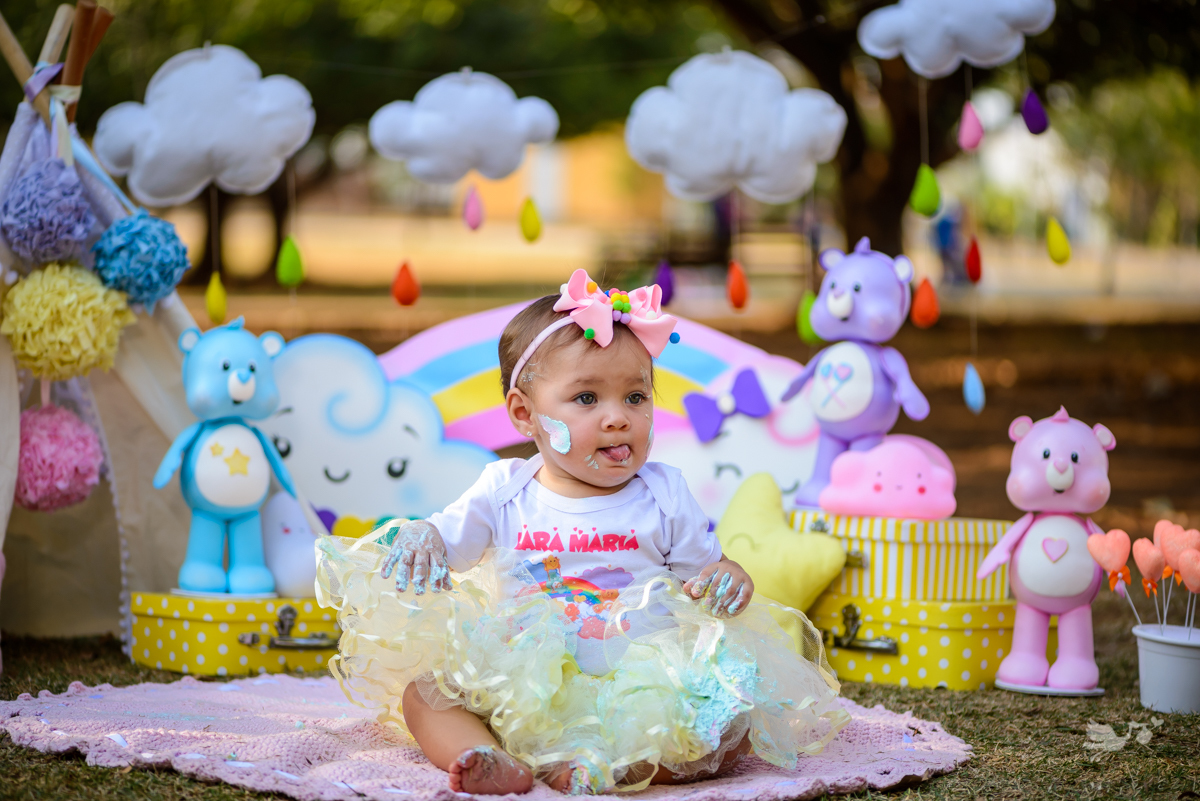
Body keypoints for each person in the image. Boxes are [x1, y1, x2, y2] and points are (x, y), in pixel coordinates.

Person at [317, 270, 847, 795]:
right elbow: (446, 539)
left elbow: (704, 574)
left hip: (642, 688)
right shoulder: (504, 490)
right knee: (425, 696)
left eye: (635, 398)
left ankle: (606, 768)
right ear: (525, 414)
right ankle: (486, 756)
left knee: (732, 725)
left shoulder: (663, 493)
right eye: (588, 399)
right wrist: (425, 538)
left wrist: (728, 577)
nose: (618, 418)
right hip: (518, 683)